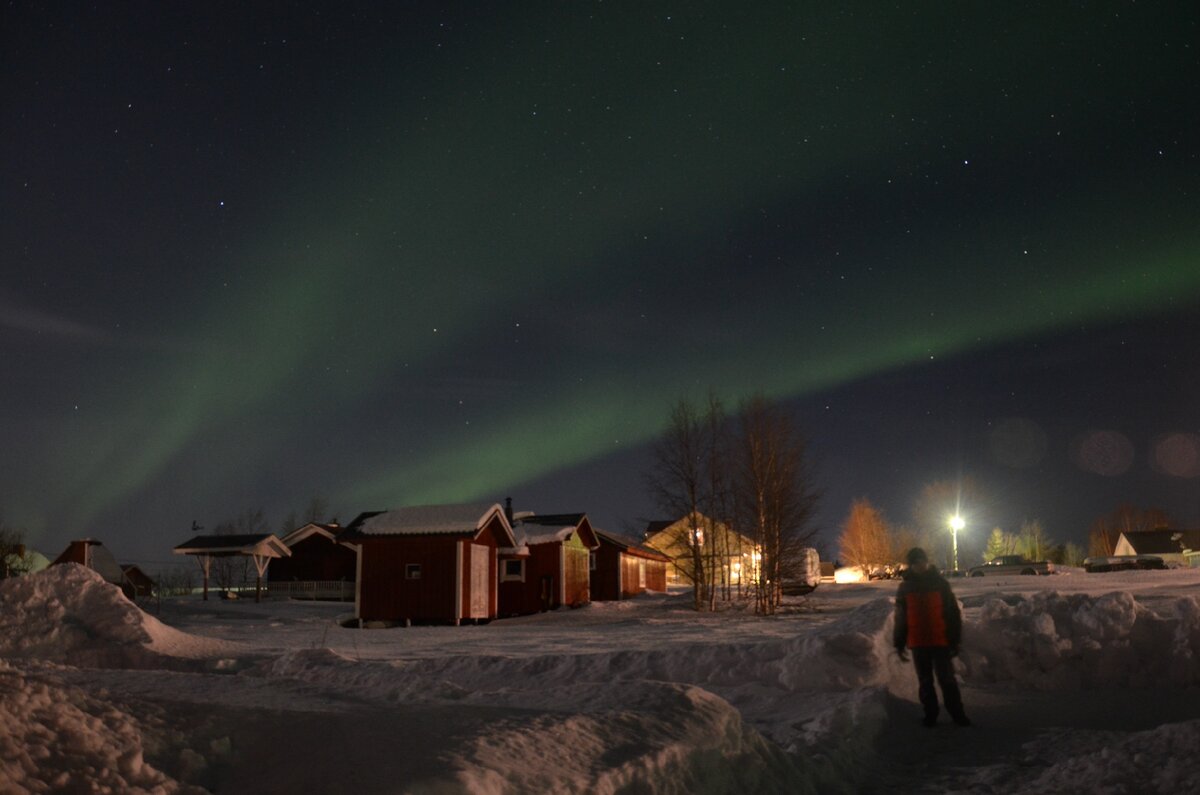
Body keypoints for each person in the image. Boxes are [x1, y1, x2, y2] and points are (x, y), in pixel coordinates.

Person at [893, 547, 970, 727]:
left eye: (922, 561)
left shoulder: (940, 584)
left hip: (940, 641)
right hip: (918, 643)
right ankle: (930, 715)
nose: (920, 565)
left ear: (926, 562)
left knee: (947, 680)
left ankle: (958, 715)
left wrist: (954, 640)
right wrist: (899, 642)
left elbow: (952, 614)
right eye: (915, 562)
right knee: (925, 681)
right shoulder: (905, 588)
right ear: (911, 565)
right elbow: (901, 617)